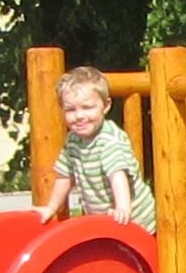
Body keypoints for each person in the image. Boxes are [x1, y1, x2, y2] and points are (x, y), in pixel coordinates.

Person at [42, 66, 157, 229]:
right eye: (70, 110)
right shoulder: (73, 140)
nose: (79, 116)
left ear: (106, 105)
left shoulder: (109, 140)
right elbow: (64, 176)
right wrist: (51, 208)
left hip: (137, 221)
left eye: (87, 107)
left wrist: (123, 208)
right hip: (105, 221)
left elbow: (117, 175)